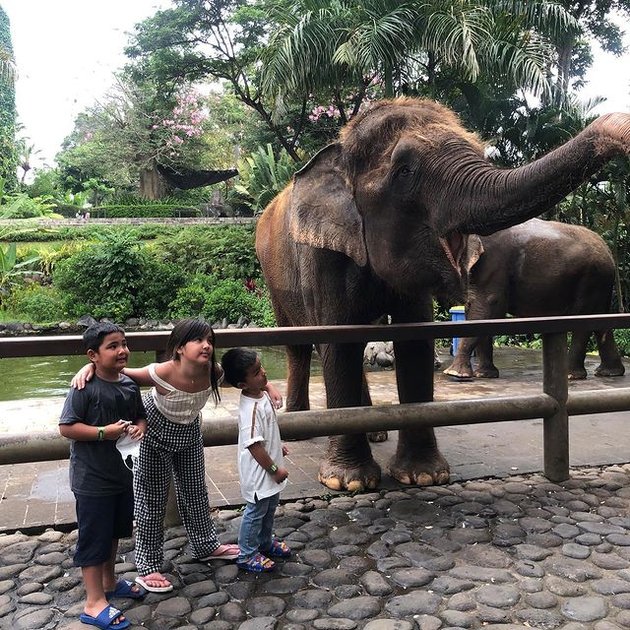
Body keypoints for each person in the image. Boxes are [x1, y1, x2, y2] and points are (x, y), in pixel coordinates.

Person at [72, 318, 283, 593]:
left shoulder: (214, 372)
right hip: (153, 435)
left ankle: (205, 544)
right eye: (198, 340)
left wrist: (268, 386)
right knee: (151, 500)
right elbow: (119, 371)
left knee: (196, 492)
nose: (206, 345)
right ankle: (148, 565)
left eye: (210, 340)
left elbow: (248, 375)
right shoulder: (160, 372)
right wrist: (89, 366)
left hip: (189, 434)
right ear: (180, 348)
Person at [59, 322, 147, 630]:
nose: (122, 350)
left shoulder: (128, 385)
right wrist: (101, 432)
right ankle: (93, 601)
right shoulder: (84, 387)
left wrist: (139, 428)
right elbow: (67, 427)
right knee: (94, 538)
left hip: (121, 475)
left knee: (113, 533)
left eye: (123, 343)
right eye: (112, 346)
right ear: (92, 355)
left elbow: (140, 416)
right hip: (92, 479)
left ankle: (109, 583)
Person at [221, 347, 291, 573]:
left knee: (269, 507)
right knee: (256, 511)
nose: (264, 373)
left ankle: (264, 543)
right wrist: (274, 469)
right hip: (260, 472)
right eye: (256, 372)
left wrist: (276, 445)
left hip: (269, 466)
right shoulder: (249, 409)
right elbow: (253, 445)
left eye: (261, 367)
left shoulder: (260, 394)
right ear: (242, 384)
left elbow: (264, 433)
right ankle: (247, 553)